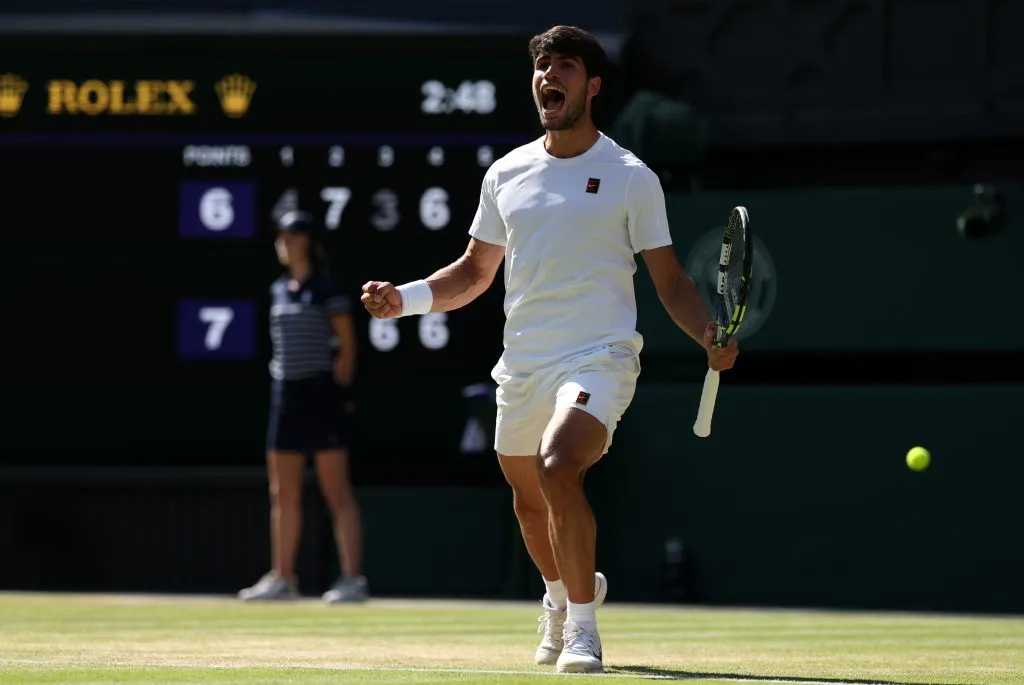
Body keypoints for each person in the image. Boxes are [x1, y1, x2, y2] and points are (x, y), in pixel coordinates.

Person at [360, 25, 738, 673]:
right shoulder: (506, 172)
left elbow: (670, 279)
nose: (547, 76)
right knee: (528, 501)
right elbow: (474, 272)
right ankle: (562, 595)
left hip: (600, 355)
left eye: (562, 66)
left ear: (590, 85)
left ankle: (584, 630)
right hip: (523, 365)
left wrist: (707, 331)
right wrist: (407, 296)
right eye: (540, 66)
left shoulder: (630, 177)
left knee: (559, 464)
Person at [239, 209, 369, 604]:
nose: (286, 243)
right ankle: (282, 578)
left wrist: (338, 390)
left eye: (294, 236)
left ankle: (352, 579)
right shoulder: (278, 289)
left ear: (308, 243)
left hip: (321, 395)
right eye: (282, 237)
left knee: (335, 490)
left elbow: (346, 347)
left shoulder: (328, 290)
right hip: (285, 396)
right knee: (283, 492)